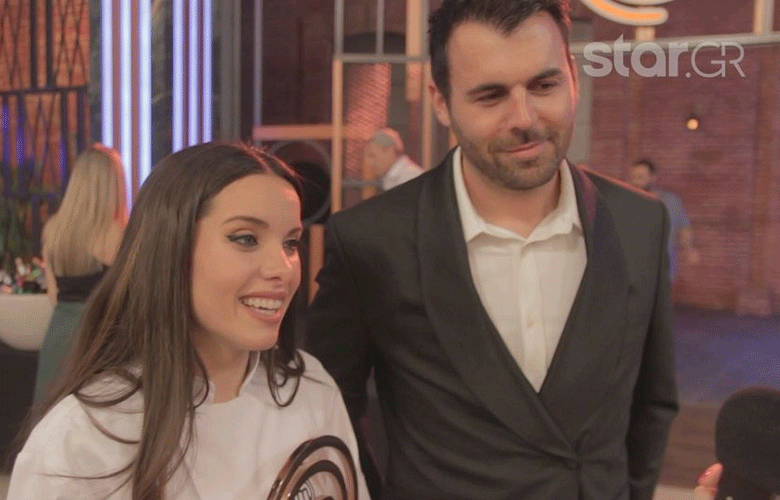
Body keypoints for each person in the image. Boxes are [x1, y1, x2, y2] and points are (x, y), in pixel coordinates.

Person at [306, 1, 678, 499]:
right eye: (491, 95)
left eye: (543, 86)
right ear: (441, 101)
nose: (523, 118)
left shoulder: (640, 223)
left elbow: (653, 402)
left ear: (572, 76)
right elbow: (329, 414)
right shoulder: (372, 241)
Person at [8, 143, 368, 499]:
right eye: (246, 238)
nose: (283, 269)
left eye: (290, 243)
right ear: (169, 248)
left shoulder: (311, 388)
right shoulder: (83, 440)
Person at [35, 144, 128, 399]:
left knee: (52, 415)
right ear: (115, 185)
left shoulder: (54, 230)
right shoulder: (120, 234)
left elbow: (54, 297)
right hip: (101, 341)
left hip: (59, 337)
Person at [628, 158, 700, 281]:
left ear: (653, 178)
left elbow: (683, 227)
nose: (636, 182)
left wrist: (689, 248)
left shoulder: (669, 201)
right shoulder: (626, 201)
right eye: (633, 177)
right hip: (633, 266)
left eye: (641, 177)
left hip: (662, 265)